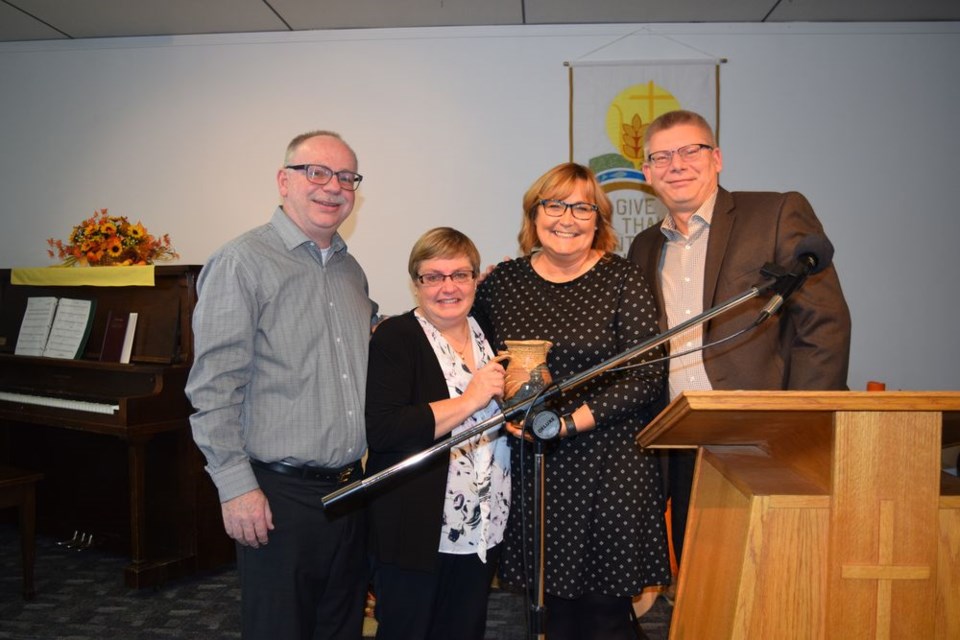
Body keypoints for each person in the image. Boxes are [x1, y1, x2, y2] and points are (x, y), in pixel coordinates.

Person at [627, 109, 851, 577]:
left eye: (692, 150)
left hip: (764, 436)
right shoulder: (644, 247)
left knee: (778, 574)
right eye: (662, 157)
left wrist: (795, 427)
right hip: (685, 437)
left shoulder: (774, 212)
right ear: (647, 173)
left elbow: (824, 323)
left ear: (717, 158)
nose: (678, 165)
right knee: (703, 576)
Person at [186, 131, 377, 640]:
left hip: (347, 489)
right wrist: (236, 486)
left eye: (346, 177)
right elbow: (213, 388)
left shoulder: (349, 270)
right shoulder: (241, 262)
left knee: (340, 626)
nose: (332, 187)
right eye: (317, 172)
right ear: (284, 180)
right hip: (277, 495)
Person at [473, 162, 671, 640]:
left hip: (610, 460)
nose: (568, 217)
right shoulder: (504, 284)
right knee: (551, 608)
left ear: (599, 219)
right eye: (554, 204)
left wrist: (567, 424)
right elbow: (477, 359)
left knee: (605, 612)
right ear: (534, 214)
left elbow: (647, 374)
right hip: (534, 465)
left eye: (582, 207)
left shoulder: (622, 278)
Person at [364, 227, 510, 640]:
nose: (448, 287)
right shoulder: (397, 337)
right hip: (418, 528)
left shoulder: (487, 330)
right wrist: (471, 399)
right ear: (416, 285)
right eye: (434, 276)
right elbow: (385, 428)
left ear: (476, 280)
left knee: (464, 630)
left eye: (460, 274)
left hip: (484, 521)